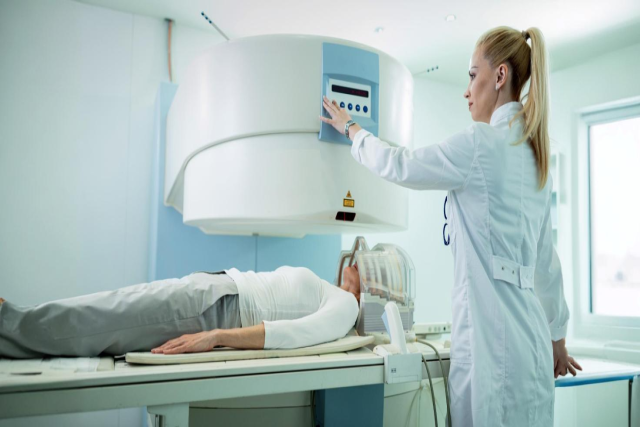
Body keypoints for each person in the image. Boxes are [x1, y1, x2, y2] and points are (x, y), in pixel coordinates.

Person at [320, 26, 582, 426]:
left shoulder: (480, 142)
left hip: (490, 345)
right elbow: (546, 261)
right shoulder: (536, 157)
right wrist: (557, 337)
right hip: (531, 343)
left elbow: (401, 164)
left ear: (500, 76)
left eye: (473, 75)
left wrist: (351, 129)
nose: (467, 91)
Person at [0, 265, 361, 359]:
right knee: (116, 305)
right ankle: (14, 322)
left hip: (219, 312)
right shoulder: (334, 293)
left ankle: (11, 326)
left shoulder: (347, 306)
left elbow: (291, 335)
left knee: (109, 315)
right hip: (216, 293)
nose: (357, 262)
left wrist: (215, 337)